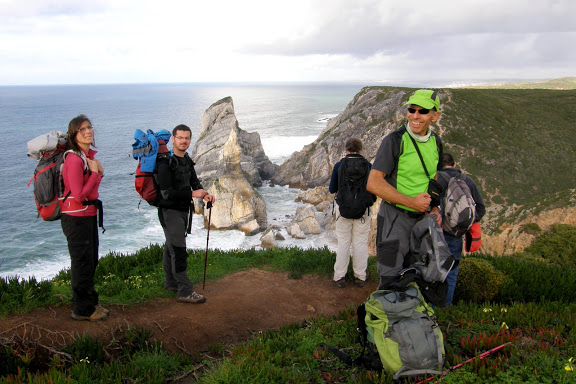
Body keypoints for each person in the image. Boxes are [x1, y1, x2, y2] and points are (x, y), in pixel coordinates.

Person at [367, 90, 444, 289]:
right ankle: (388, 317)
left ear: (435, 116)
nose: (415, 116)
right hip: (394, 219)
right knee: (390, 275)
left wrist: (435, 208)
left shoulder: (436, 143)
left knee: (417, 274)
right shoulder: (394, 141)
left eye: (423, 111)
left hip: (422, 221)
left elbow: (433, 176)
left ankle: (411, 318)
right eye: (411, 109)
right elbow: (373, 183)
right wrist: (412, 202)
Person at [157, 124, 215, 304]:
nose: (184, 141)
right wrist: (192, 194)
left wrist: (204, 193)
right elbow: (166, 193)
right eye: (180, 137)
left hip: (183, 210)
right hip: (170, 211)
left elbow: (194, 182)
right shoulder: (165, 163)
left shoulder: (187, 160)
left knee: (171, 247)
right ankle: (185, 291)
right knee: (179, 250)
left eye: (187, 138)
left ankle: (171, 283)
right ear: (173, 139)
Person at [60, 114, 108, 321]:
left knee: (90, 261)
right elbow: (78, 195)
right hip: (76, 218)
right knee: (81, 262)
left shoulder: (85, 158)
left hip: (88, 215)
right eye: (82, 129)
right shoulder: (73, 159)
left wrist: (96, 172)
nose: (88, 131)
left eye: (89, 127)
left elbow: (89, 191)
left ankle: (91, 302)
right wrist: (96, 174)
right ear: (74, 134)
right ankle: (82, 310)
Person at [437, 153, 485, 306]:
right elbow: (480, 209)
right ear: (455, 164)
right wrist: (463, 224)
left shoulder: (435, 179)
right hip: (456, 234)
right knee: (451, 272)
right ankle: (445, 308)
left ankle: (430, 309)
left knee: (433, 271)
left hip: (436, 233)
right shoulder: (467, 181)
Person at [329, 138, 374, 288]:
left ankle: (339, 276)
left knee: (343, 242)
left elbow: (332, 189)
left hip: (343, 210)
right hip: (363, 210)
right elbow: (373, 189)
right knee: (360, 243)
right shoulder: (368, 166)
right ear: (360, 150)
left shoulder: (339, 165)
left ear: (347, 150)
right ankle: (360, 276)